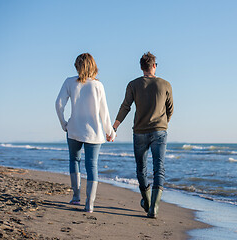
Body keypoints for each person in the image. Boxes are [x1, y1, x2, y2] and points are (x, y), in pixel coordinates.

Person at [112, 52, 173, 218]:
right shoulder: (165, 84)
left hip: (139, 132)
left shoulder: (133, 84)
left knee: (141, 169)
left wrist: (115, 126)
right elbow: (170, 109)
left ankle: (146, 201)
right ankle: (153, 208)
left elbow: (126, 106)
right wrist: (162, 123)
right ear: (154, 66)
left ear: (141, 67)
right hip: (159, 131)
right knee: (158, 168)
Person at [55, 53, 116, 213]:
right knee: (92, 165)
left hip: (73, 128)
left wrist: (64, 124)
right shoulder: (98, 85)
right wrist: (110, 131)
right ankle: (89, 204)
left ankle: (76, 198)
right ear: (93, 66)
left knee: (74, 160)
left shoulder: (69, 82)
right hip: (94, 132)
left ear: (77, 66)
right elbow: (105, 112)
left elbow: (58, 104)